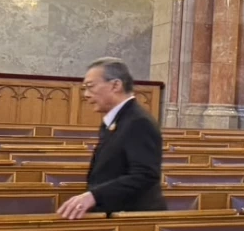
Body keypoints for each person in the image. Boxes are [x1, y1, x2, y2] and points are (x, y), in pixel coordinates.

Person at [58, 58, 165, 219]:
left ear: (116, 85)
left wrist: (94, 196)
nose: (86, 95)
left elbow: (145, 175)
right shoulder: (117, 120)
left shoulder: (138, 122)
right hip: (116, 215)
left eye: (90, 87)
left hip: (132, 220)